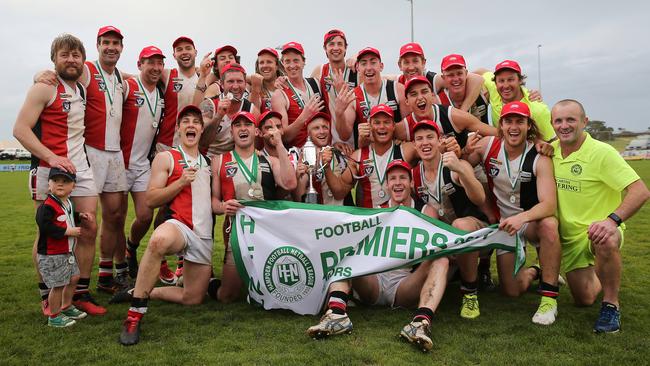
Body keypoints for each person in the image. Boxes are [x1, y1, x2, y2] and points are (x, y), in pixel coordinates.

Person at [307, 159, 446, 341]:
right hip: (374, 281)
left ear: (411, 183)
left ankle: (421, 323)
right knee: (344, 245)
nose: (397, 182)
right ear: (387, 185)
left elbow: (437, 245)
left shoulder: (426, 211)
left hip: (404, 285)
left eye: (403, 178)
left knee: (441, 259)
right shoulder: (376, 211)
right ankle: (336, 313)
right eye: (392, 178)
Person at [13, 34, 102, 316]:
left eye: (76, 55)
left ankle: (78, 293)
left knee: (89, 229)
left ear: (83, 60)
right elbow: (20, 129)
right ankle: (47, 294)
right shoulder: (44, 87)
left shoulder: (83, 90)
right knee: (48, 233)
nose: (71, 60)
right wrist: (51, 157)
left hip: (81, 169)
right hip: (48, 170)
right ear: (54, 59)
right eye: (64, 55)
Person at [116, 105, 213, 345]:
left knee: (193, 298)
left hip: (204, 235)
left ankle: (140, 291)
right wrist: (180, 182)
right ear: (179, 129)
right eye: (186, 121)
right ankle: (134, 315)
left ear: (201, 129)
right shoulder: (167, 157)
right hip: (179, 226)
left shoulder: (210, 161)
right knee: (158, 240)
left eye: (196, 122)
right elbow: (150, 199)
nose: (191, 125)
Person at [550, 99, 650, 333]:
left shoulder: (602, 152)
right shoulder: (550, 151)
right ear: (552, 124)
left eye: (571, 119)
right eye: (558, 120)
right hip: (571, 239)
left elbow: (640, 191)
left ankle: (611, 304)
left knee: (607, 239)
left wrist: (611, 220)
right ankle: (603, 271)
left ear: (584, 122)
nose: (564, 125)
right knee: (583, 299)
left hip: (600, 229)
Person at [468, 101, 561, 325]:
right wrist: (463, 149)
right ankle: (536, 271)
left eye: (520, 121)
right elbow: (463, 165)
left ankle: (549, 298)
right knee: (511, 291)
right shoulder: (487, 146)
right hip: (504, 227)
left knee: (549, 224)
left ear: (529, 125)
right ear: (501, 125)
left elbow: (549, 205)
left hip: (529, 221)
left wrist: (521, 218)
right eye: (508, 121)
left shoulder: (540, 156)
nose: (514, 127)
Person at [398, 120, 487, 351]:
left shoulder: (453, 163)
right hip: (442, 239)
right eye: (419, 139)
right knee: (426, 214)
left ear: (439, 141)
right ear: (414, 145)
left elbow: (479, 198)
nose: (425, 143)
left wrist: (461, 170)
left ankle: (470, 292)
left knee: (460, 225)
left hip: (474, 230)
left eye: (430, 137)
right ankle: (428, 274)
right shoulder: (415, 173)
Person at [209, 111, 297, 303]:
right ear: (232, 132)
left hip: (268, 233)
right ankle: (210, 283)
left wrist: (279, 143)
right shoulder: (219, 161)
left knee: (278, 291)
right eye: (237, 125)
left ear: (256, 132)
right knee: (228, 296)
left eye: (247, 125)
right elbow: (214, 202)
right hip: (238, 234)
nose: (242, 129)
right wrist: (224, 206)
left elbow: (290, 184)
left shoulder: (270, 160)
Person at [118, 46, 166, 284]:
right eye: (151, 63)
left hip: (141, 165)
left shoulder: (162, 92)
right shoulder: (128, 86)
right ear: (140, 64)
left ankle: (131, 247)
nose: (156, 68)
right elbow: (109, 77)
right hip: (119, 163)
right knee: (115, 217)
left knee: (146, 215)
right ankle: (117, 270)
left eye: (160, 63)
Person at [325, 104, 418, 208]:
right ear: (369, 126)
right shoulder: (358, 156)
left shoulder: (406, 150)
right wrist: (327, 167)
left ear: (393, 126)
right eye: (377, 123)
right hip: (371, 222)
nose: (382, 127)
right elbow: (339, 192)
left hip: (399, 219)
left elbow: (430, 150)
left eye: (386, 122)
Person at [36, 168, 90, 327]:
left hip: (67, 252)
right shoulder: (47, 206)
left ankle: (66, 306)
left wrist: (79, 216)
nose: (60, 183)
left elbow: (68, 215)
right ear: (49, 184)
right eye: (55, 180)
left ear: (73, 186)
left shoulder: (68, 202)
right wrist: (67, 231)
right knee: (58, 285)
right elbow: (45, 226)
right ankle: (54, 316)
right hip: (52, 254)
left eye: (65, 181)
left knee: (73, 278)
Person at [334, 47, 409, 147]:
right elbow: (344, 136)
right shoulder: (353, 96)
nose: (369, 68)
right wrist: (339, 114)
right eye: (364, 63)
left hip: (395, 153)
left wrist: (380, 129)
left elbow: (408, 127)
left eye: (373, 63)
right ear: (357, 68)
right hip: (367, 154)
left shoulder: (398, 90)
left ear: (381, 66)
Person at [396, 75, 496, 144]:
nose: (420, 97)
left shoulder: (453, 116)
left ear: (432, 96)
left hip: (458, 164)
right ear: (407, 101)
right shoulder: (402, 129)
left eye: (424, 91)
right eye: (414, 94)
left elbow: (495, 132)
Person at [480, 60, 555, 141]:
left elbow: (551, 141)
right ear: (495, 83)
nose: (505, 86)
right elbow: (480, 72)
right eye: (501, 81)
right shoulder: (494, 89)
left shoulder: (537, 110)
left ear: (520, 80)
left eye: (510, 80)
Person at [271, 41, 326, 148]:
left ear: (303, 62)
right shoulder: (280, 94)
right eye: (287, 61)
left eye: (296, 60)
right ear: (283, 63)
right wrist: (304, 116)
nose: (292, 65)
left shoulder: (315, 83)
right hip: (299, 155)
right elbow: (284, 137)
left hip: (323, 151)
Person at [310, 29, 358, 148]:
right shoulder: (320, 71)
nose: (335, 48)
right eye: (331, 44)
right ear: (325, 48)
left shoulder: (355, 70)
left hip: (356, 141)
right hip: (330, 143)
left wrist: (358, 55)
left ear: (346, 48)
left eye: (340, 44)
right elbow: (301, 84)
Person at [294, 112, 354, 205]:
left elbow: (342, 193)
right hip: (314, 216)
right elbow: (297, 200)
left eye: (325, 127)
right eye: (316, 128)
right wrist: (299, 178)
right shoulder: (298, 156)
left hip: (340, 216)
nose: (322, 131)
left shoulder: (340, 155)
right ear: (308, 133)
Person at [199, 63, 259, 157]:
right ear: (222, 85)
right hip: (206, 159)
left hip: (233, 162)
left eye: (239, 81)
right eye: (230, 81)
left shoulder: (251, 110)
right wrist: (218, 116)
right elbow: (202, 142)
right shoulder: (209, 105)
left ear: (245, 84)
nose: (235, 86)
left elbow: (257, 144)